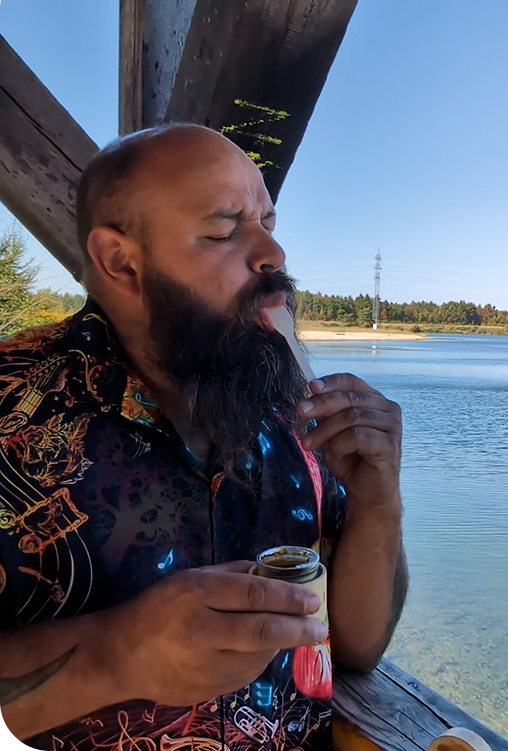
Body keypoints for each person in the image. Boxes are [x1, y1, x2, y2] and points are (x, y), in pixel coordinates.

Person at [0, 124, 408, 750]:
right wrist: (111, 656)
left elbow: (354, 648)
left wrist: (379, 502)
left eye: (268, 222)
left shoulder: (286, 404)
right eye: (223, 231)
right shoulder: (15, 408)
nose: (273, 252)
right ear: (120, 261)